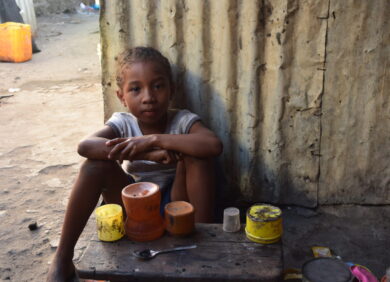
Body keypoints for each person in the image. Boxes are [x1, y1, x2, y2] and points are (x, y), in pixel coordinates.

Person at [46, 46, 223, 281]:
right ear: (122, 97)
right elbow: (85, 146)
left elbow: (213, 145)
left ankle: (202, 251)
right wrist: (146, 154)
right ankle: (62, 258)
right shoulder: (122, 123)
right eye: (136, 89)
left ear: (172, 89)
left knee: (197, 157)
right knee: (94, 166)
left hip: (179, 206)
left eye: (158, 86)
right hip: (136, 207)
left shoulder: (181, 120)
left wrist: (154, 140)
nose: (148, 97)